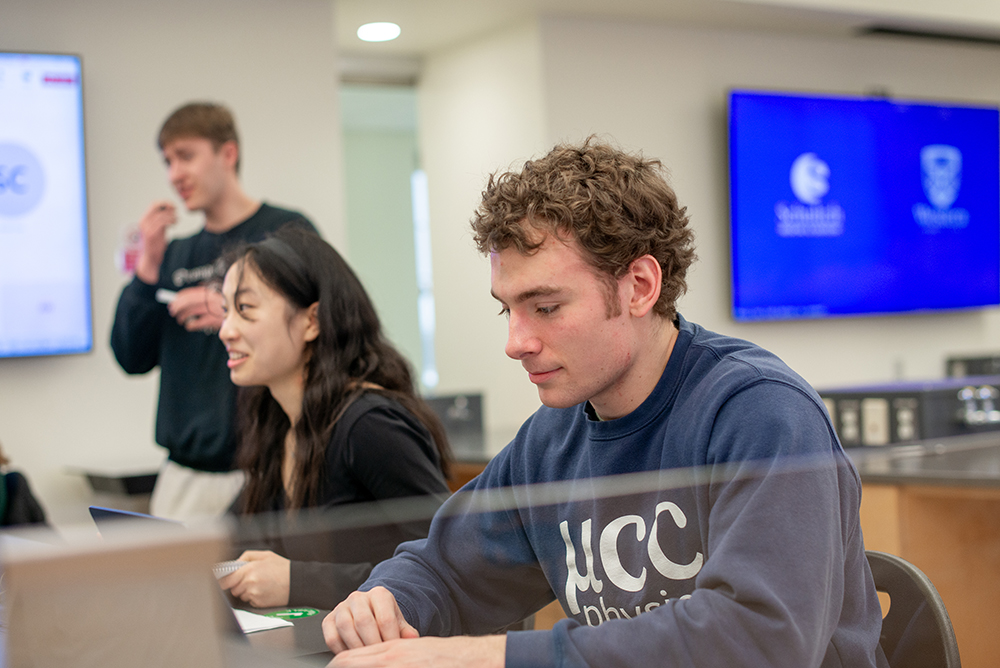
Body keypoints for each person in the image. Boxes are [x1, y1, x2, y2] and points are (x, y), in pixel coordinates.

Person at [321, 139, 887, 667]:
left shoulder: (761, 413)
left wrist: (489, 657)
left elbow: (757, 639)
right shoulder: (553, 436)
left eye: (544, 307)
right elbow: (447, 570)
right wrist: (386, 599)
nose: (515, 342)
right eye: (507, 309)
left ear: (639, 286)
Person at [215, 226, 452, 610]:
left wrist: (297, 581)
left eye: (245, 310)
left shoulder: (369, 425)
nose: (226, 330)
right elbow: (231, 535)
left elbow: (449, 564)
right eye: (225, 311)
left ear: (312, 321)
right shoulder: (278, 423)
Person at [111, 102, 316, 521]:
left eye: (186, 156)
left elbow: (321, 327)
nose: (174, 175)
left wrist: (228, 308)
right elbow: (131, 357)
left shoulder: (286, 231)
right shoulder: (175, 254)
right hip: (182, 478)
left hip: (266, 470)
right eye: (167, 161)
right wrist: (147, 270)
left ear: (227, 154)